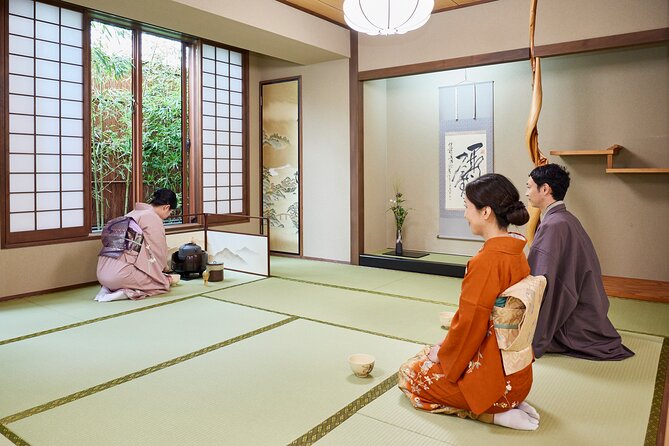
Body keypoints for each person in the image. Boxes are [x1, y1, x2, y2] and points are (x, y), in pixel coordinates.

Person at [399, 173, 541, 431]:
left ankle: (491, 414)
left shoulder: (486, 262)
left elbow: (470, 324)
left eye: (467, 207)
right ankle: (510, 405)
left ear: (485, 211)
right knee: (429, 352)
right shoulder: (516, 251)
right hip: (518, 379)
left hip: (496, 387)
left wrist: (443, 354)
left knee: (410, 373)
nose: (465, 215)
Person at [526, 164, 634, 360]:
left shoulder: (555, 224)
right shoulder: (565, 219)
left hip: (575, 316)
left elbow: (542, 280)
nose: (526, 193)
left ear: (545, 189)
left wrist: (536, 337)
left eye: (529, 187)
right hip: (589, 305)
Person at [95, 189, 179, 302]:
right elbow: (159, 252)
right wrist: (164, 268)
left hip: (102, 274)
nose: (169, 215)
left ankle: (108, 289)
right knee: (162, 283)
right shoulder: (153, 218)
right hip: (120, 276)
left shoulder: (132, 213)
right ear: (166, 207)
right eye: (170, 212)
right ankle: (125, 292)